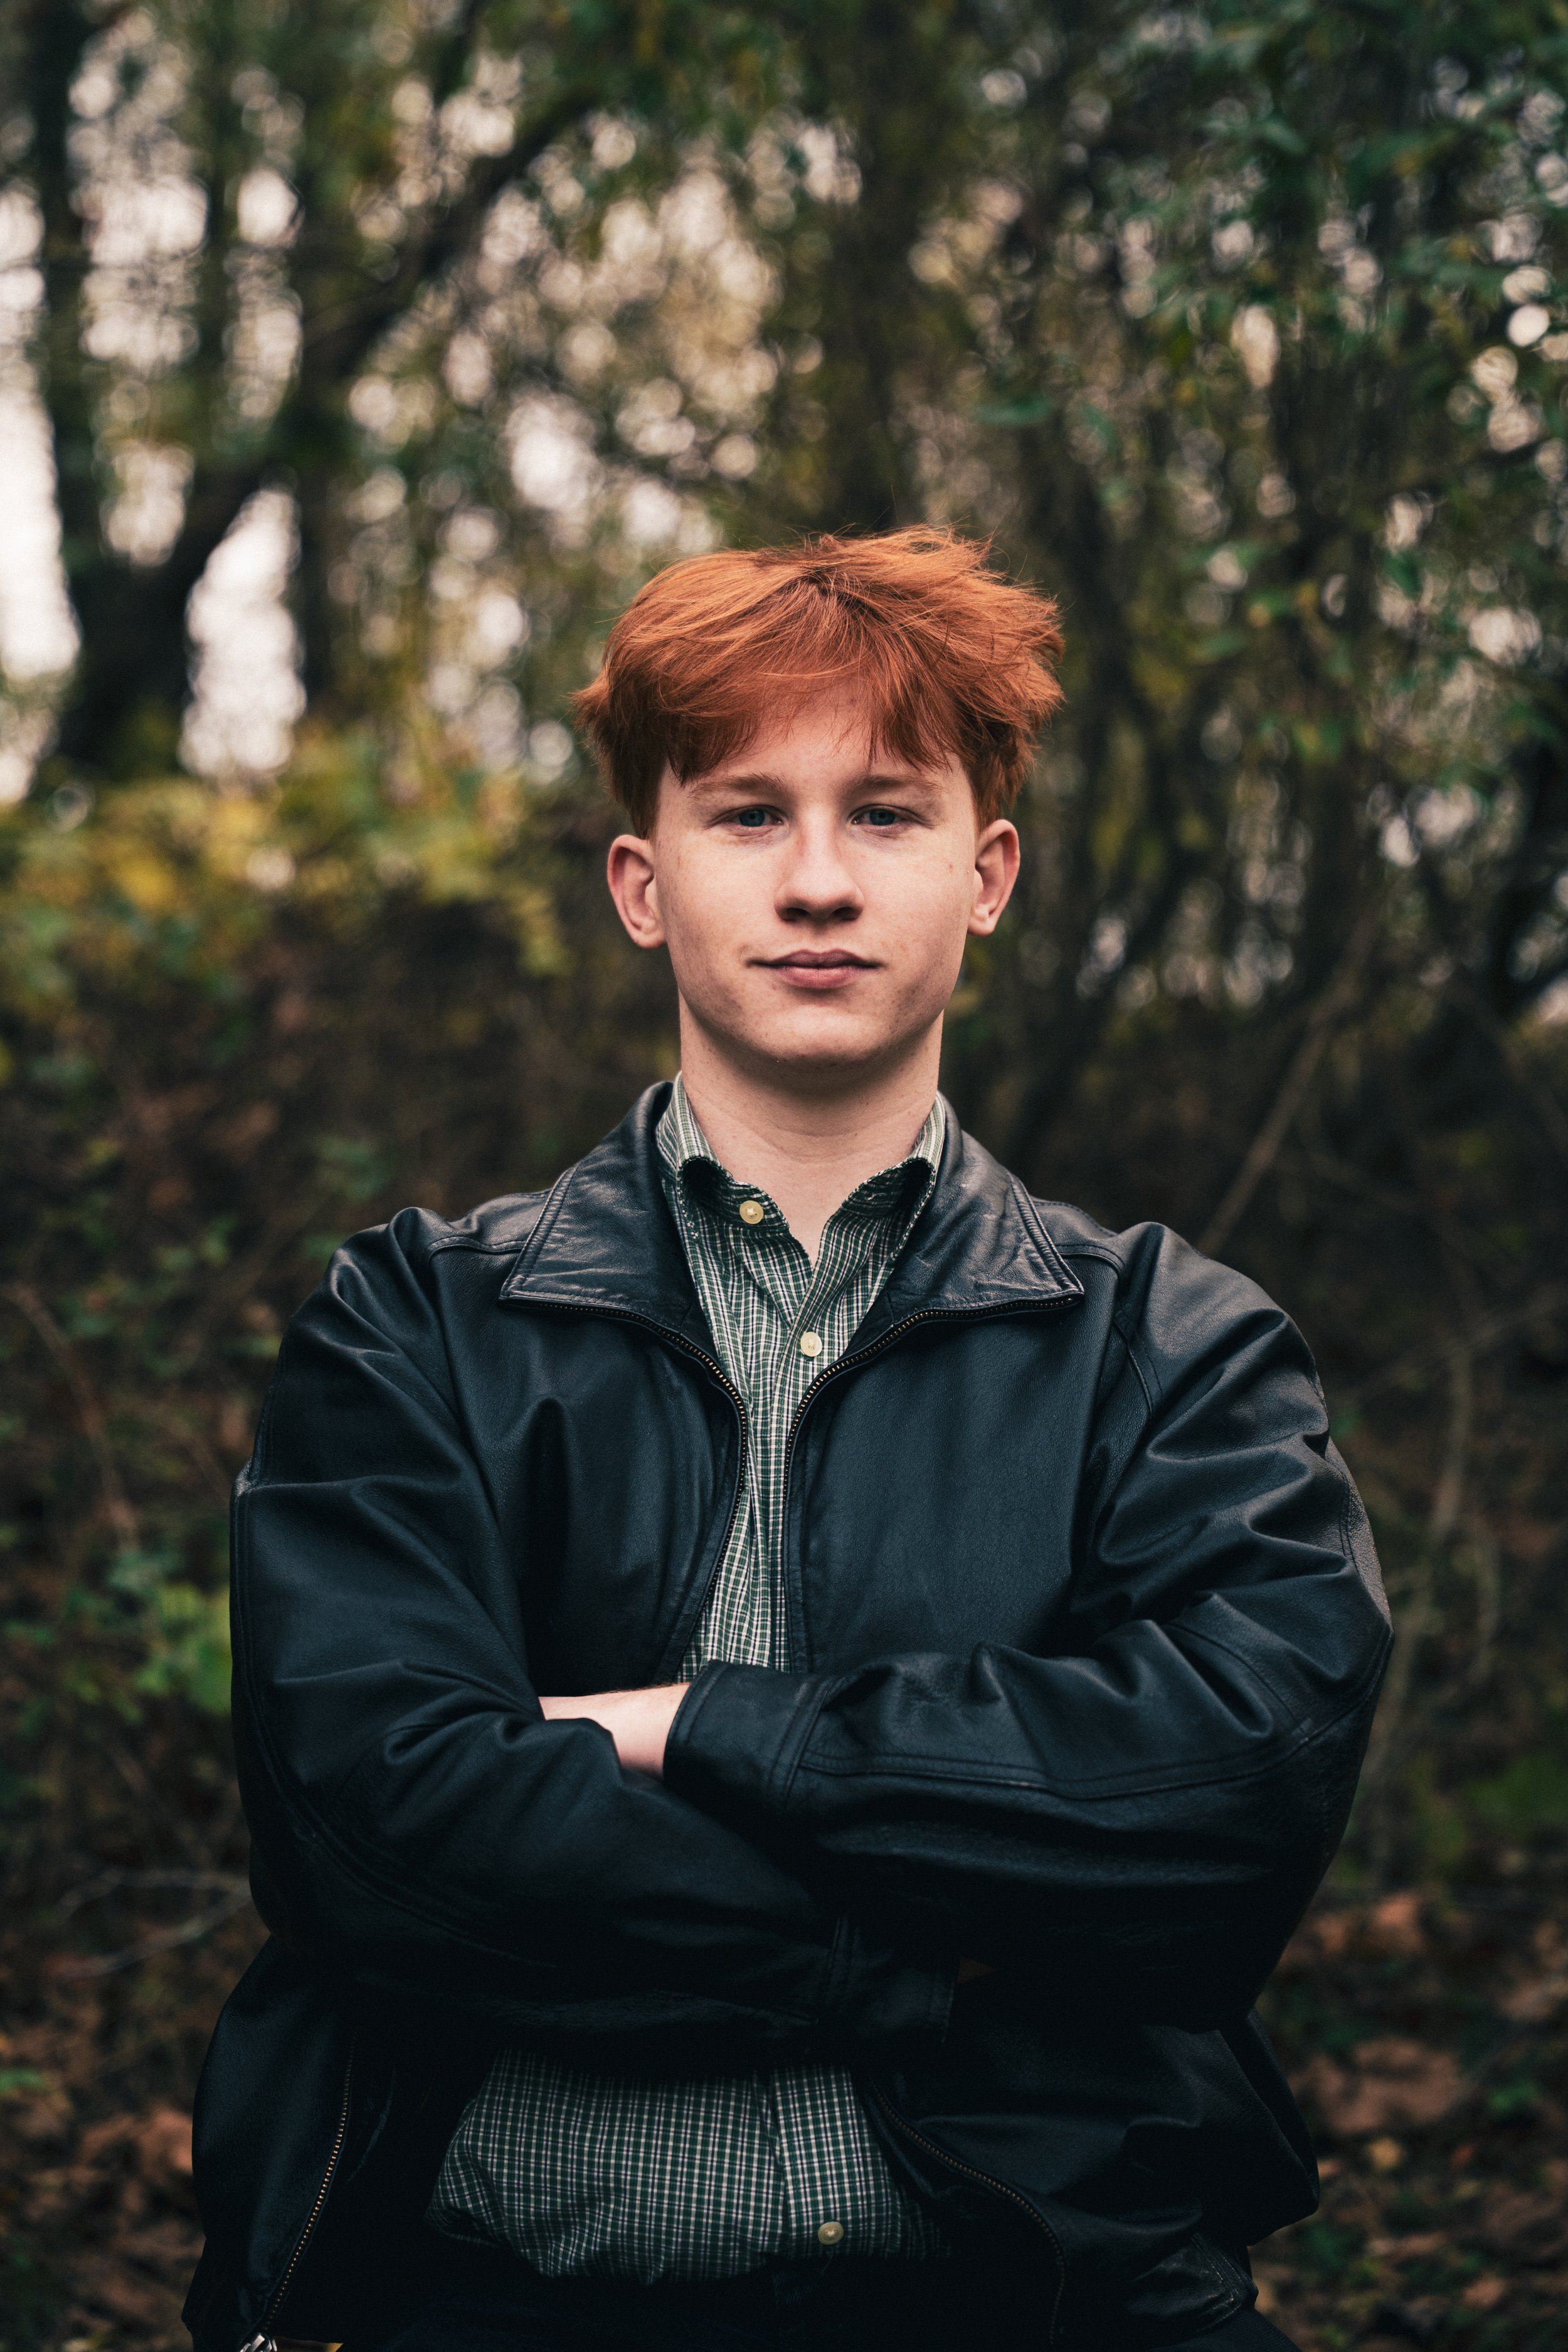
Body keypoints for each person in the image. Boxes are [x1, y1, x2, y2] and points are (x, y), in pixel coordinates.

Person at [183, 529, 1391, 2352]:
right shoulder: (415, 1324)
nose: (818, 881)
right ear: (641, 881)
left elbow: (1227, 1809)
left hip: (1047, 2306)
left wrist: (691, 1728)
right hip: (499, 2306)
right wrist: (920, 1950)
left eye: (885, 815)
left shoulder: (1169, 1345)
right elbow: (375, 1828)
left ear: (986, 874)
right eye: (748, 814)